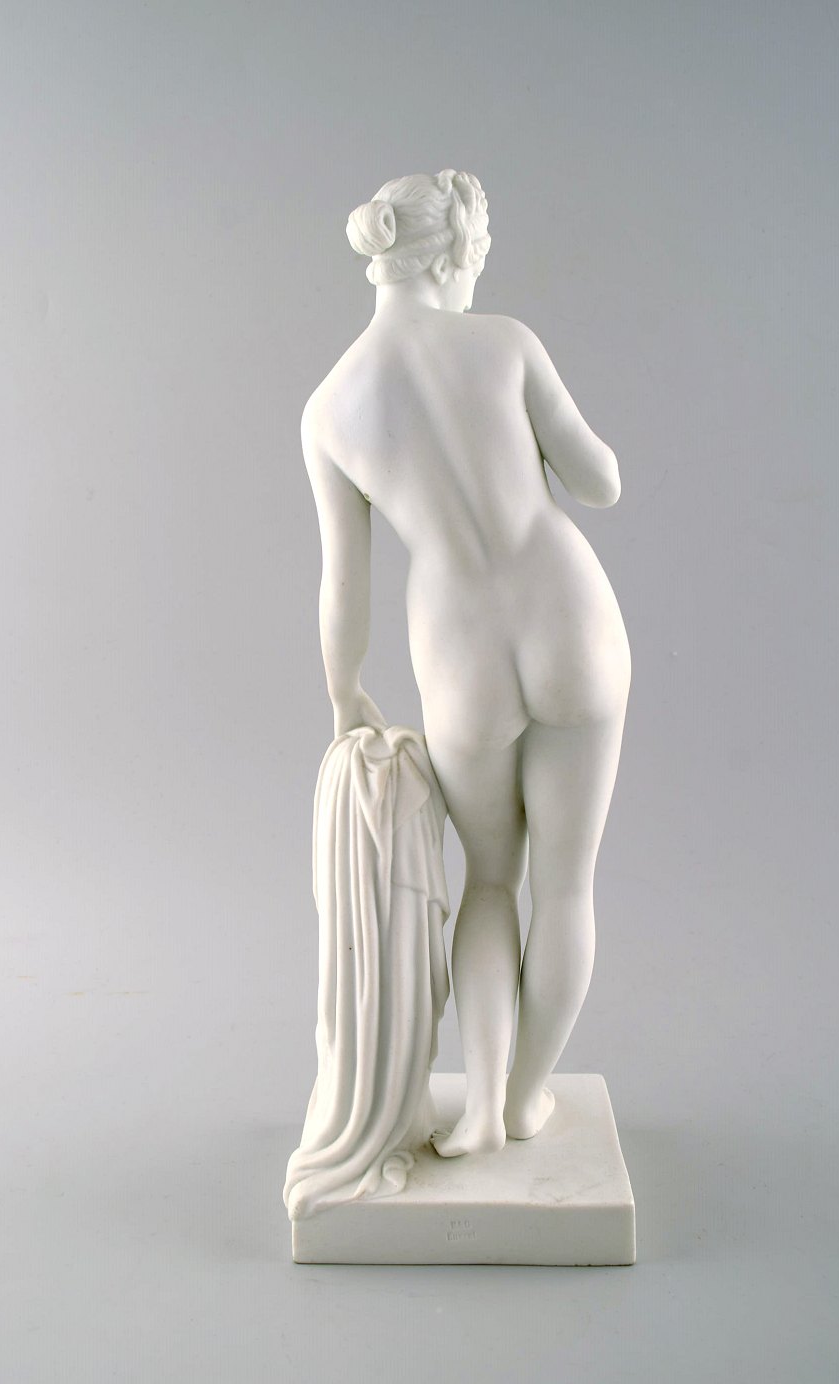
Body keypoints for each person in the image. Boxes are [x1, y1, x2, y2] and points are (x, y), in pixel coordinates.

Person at [300, 169, 630, 1157]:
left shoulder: (329, 408)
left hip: (459, 650)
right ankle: (528, 1097)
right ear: (453, 255)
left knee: (488, 880)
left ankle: (481, 1107)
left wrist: (344, 694)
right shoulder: (504, 343)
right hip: (569, 617)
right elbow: (599, 480)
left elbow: (343, 586)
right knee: (564, 890)